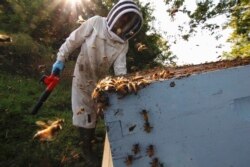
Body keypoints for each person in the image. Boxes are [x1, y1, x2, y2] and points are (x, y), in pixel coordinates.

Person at [51, 0, 143, 166]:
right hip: (81, 75)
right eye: (123, 18)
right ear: (116, 14)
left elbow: (120, 68)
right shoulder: (95, 22)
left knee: (98, 111)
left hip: (100, 81)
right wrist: (60, 58)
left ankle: (93, 137)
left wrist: (122, 84)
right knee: (83, 113)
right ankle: (86, 148)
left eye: (127, 21)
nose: (123, 23)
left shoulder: (123, 44)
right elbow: (74, 39)